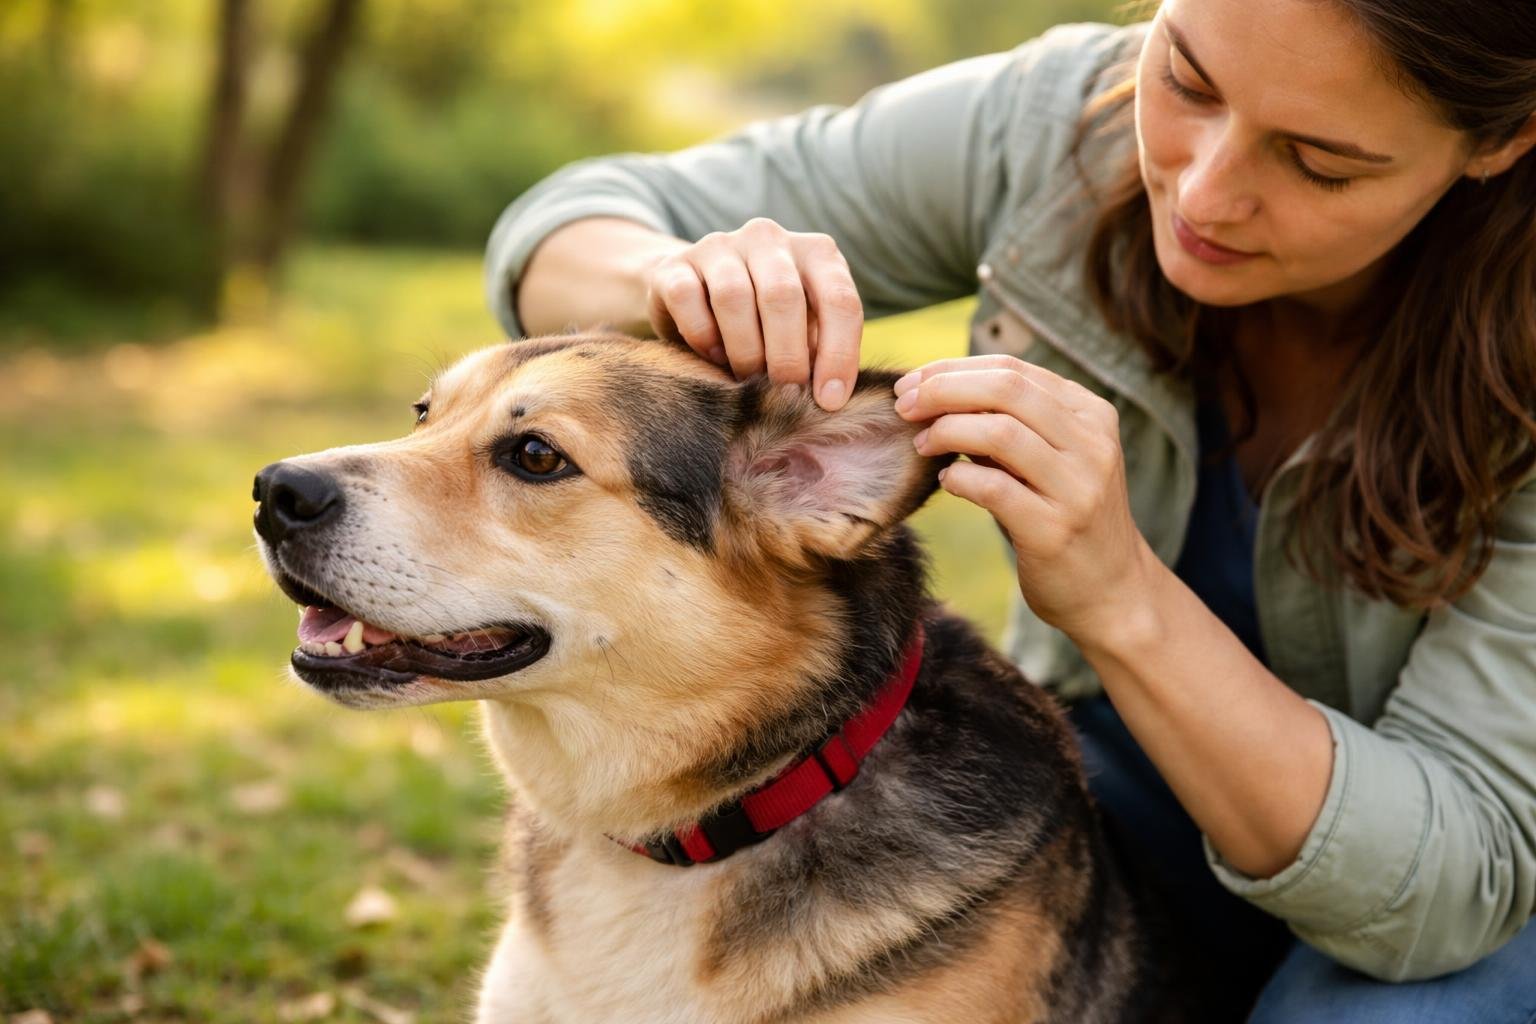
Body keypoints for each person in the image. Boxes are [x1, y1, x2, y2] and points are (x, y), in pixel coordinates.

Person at [483, 0, 1536, 1018]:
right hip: (1124, 796)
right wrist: (669, 276)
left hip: (1469, 892)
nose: (1205, 192)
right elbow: (564, 225)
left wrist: (1121, 597)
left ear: (1503, 140)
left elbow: (1445, 890)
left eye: (1320, 161)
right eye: (1188, 79)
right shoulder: (1056, 125)